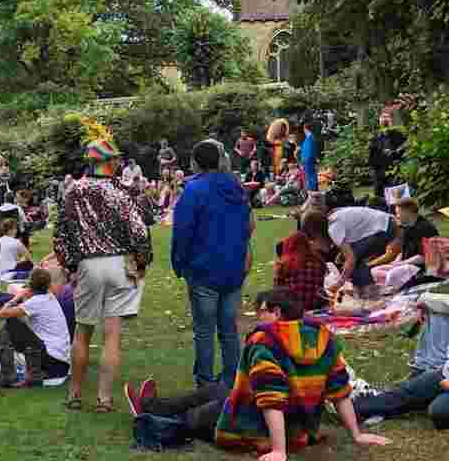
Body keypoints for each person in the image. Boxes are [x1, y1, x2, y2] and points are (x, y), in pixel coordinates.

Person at [123, 288, 390, 457]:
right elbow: (340, 390)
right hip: (296, 422)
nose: (256, 317)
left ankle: (152, 416)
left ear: (276, 312)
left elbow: (271, 397)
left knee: (201, 415)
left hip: (262, 425)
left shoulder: (266, 342)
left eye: (260, 312)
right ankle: (154, 405)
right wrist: (356, 433)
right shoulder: (323, 338)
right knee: (215, 389)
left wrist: (278, 450)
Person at [54, 137, 152, 412]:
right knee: (112, 334)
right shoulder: (122, 191)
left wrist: (71, 266)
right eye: (116, 159)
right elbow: (139, 231)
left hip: (88, 265)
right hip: (120, 264)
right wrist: (142, 261)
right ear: (109, 162)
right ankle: (104, 400)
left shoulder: (74, 191)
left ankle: (74, 394)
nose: (119, 162)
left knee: (82, 331)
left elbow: (61, 235)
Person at [172, 140, 252, 389]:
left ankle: (205, 381)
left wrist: (180, 263)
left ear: (194, 163)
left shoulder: (194, 190)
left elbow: (183, 230)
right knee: (229, 329)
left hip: (203, 268)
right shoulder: (235, 187)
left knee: (205, 330)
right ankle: (232, 380)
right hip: (232, 267)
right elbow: (247, 226)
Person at [0, 268, 71, 386]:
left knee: (10, 322)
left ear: (30, 285)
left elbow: (1, 314)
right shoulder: (49, 297)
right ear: (47, 285)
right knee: (14, 325)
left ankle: (7, 374)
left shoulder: (36, 302)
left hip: (52, 361)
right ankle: (8, 372)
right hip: (60, 363)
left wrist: (14, 299)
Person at [326, 206, 396, 298]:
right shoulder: (334, 218)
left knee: (354, 258)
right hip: (386, 222)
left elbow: (351, 260)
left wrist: (340, 283)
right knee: (353, 258)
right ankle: (363, 290)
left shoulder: (333, 228)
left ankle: (368, 292)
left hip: (383, 227)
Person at [274, 210, 332, 311]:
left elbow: (277, 291)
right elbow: (319, 288)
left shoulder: (284, 263)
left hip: (292, 309)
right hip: (314, 307)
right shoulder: (318, 261)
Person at [366, 196, 439, 275]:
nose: (397, 216)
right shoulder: (406, 228)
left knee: (392, 275)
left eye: (398, 213)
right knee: (374, 271)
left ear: (407, 212)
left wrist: (400, 264)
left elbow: (423, 256)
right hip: (406, 264)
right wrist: (395, 263)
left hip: (422, 266)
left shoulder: (425, 228)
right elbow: (403, 252)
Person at [368, 110, 406, 200]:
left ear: (391, 120)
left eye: (387, 117)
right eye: (382, 117)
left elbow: (404, 150)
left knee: (398, 199)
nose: (384, 119)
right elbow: (372, 155)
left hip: (394, 170)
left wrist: (394, 152)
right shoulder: (375, 136)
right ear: (379, 120)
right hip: (378, 171)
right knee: (379, 199)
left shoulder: (398, 135)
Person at [299, 122, 319, 192]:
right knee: (310, 175)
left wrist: (303, 161)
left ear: (305, 129)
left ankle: (312, 190)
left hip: (308, 160)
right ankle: (312, 189)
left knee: (310, 175)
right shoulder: (309, 137)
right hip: (308, 159)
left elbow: (309, 151)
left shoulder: (310, 138)